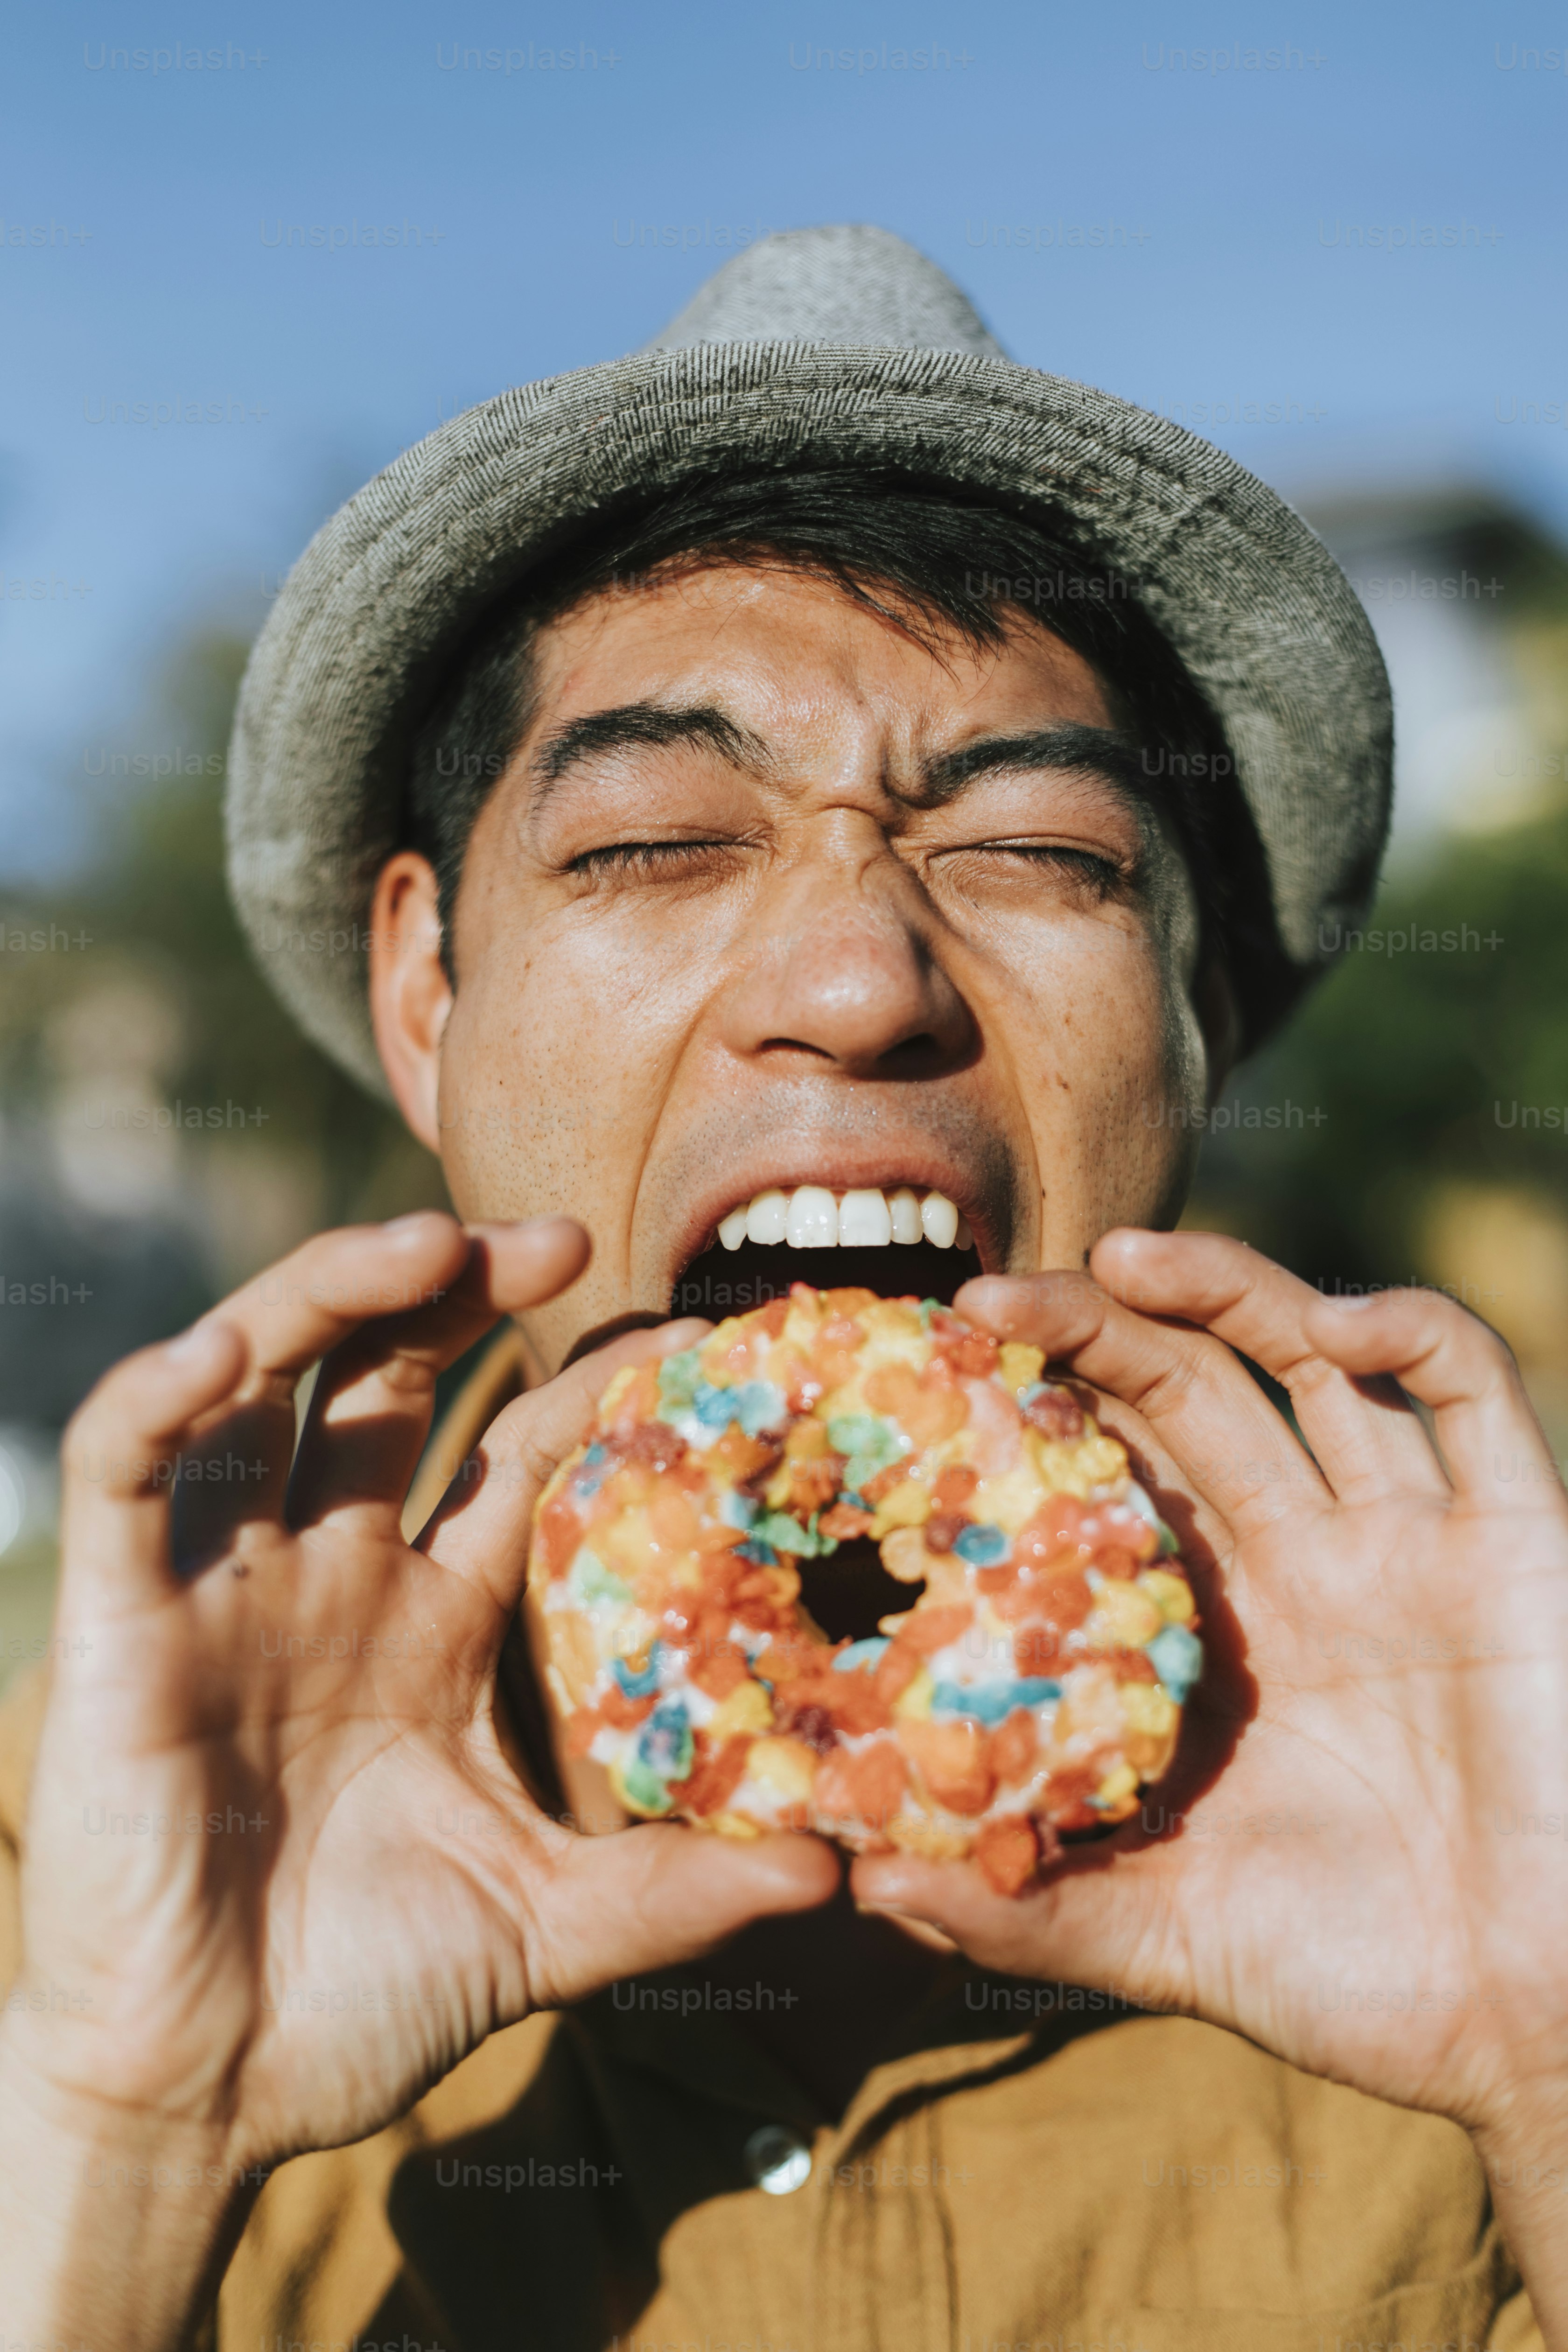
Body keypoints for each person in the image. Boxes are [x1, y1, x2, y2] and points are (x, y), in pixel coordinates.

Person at [2, 226, 1564, 2352]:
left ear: (1196, 1021)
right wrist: (120, 2138)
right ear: (423, 988)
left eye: (1044, 856)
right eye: (654, 840)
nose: (859, 985)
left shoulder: (1504, 1858)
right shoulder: (80, 1883)